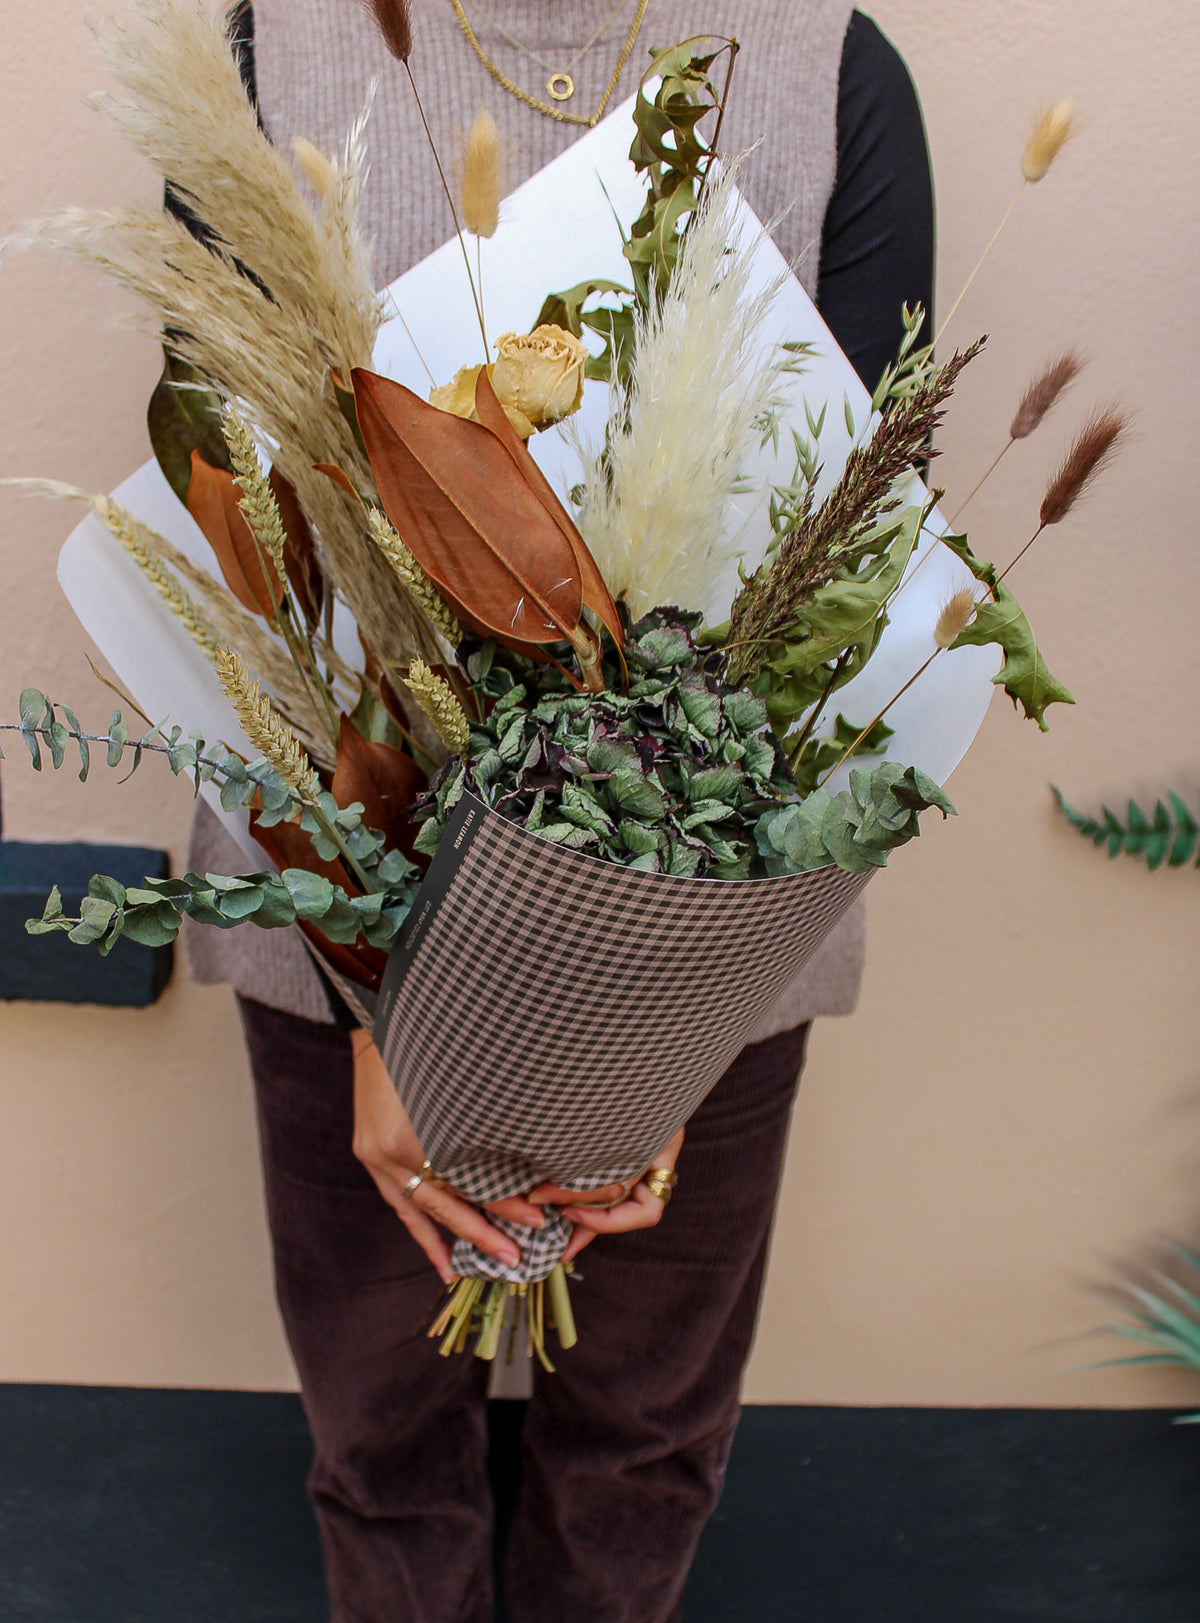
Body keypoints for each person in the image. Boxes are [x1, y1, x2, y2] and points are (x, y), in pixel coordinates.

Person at [183, 4, 934, 1618]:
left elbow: (843, 585)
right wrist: (391, 1009)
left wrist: (650, 1031)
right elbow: (239, 544)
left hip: (712, 958)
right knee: (380, 1437)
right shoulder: (266, 58)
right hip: (338, 943)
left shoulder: (829, 72)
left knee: (646, 1440)